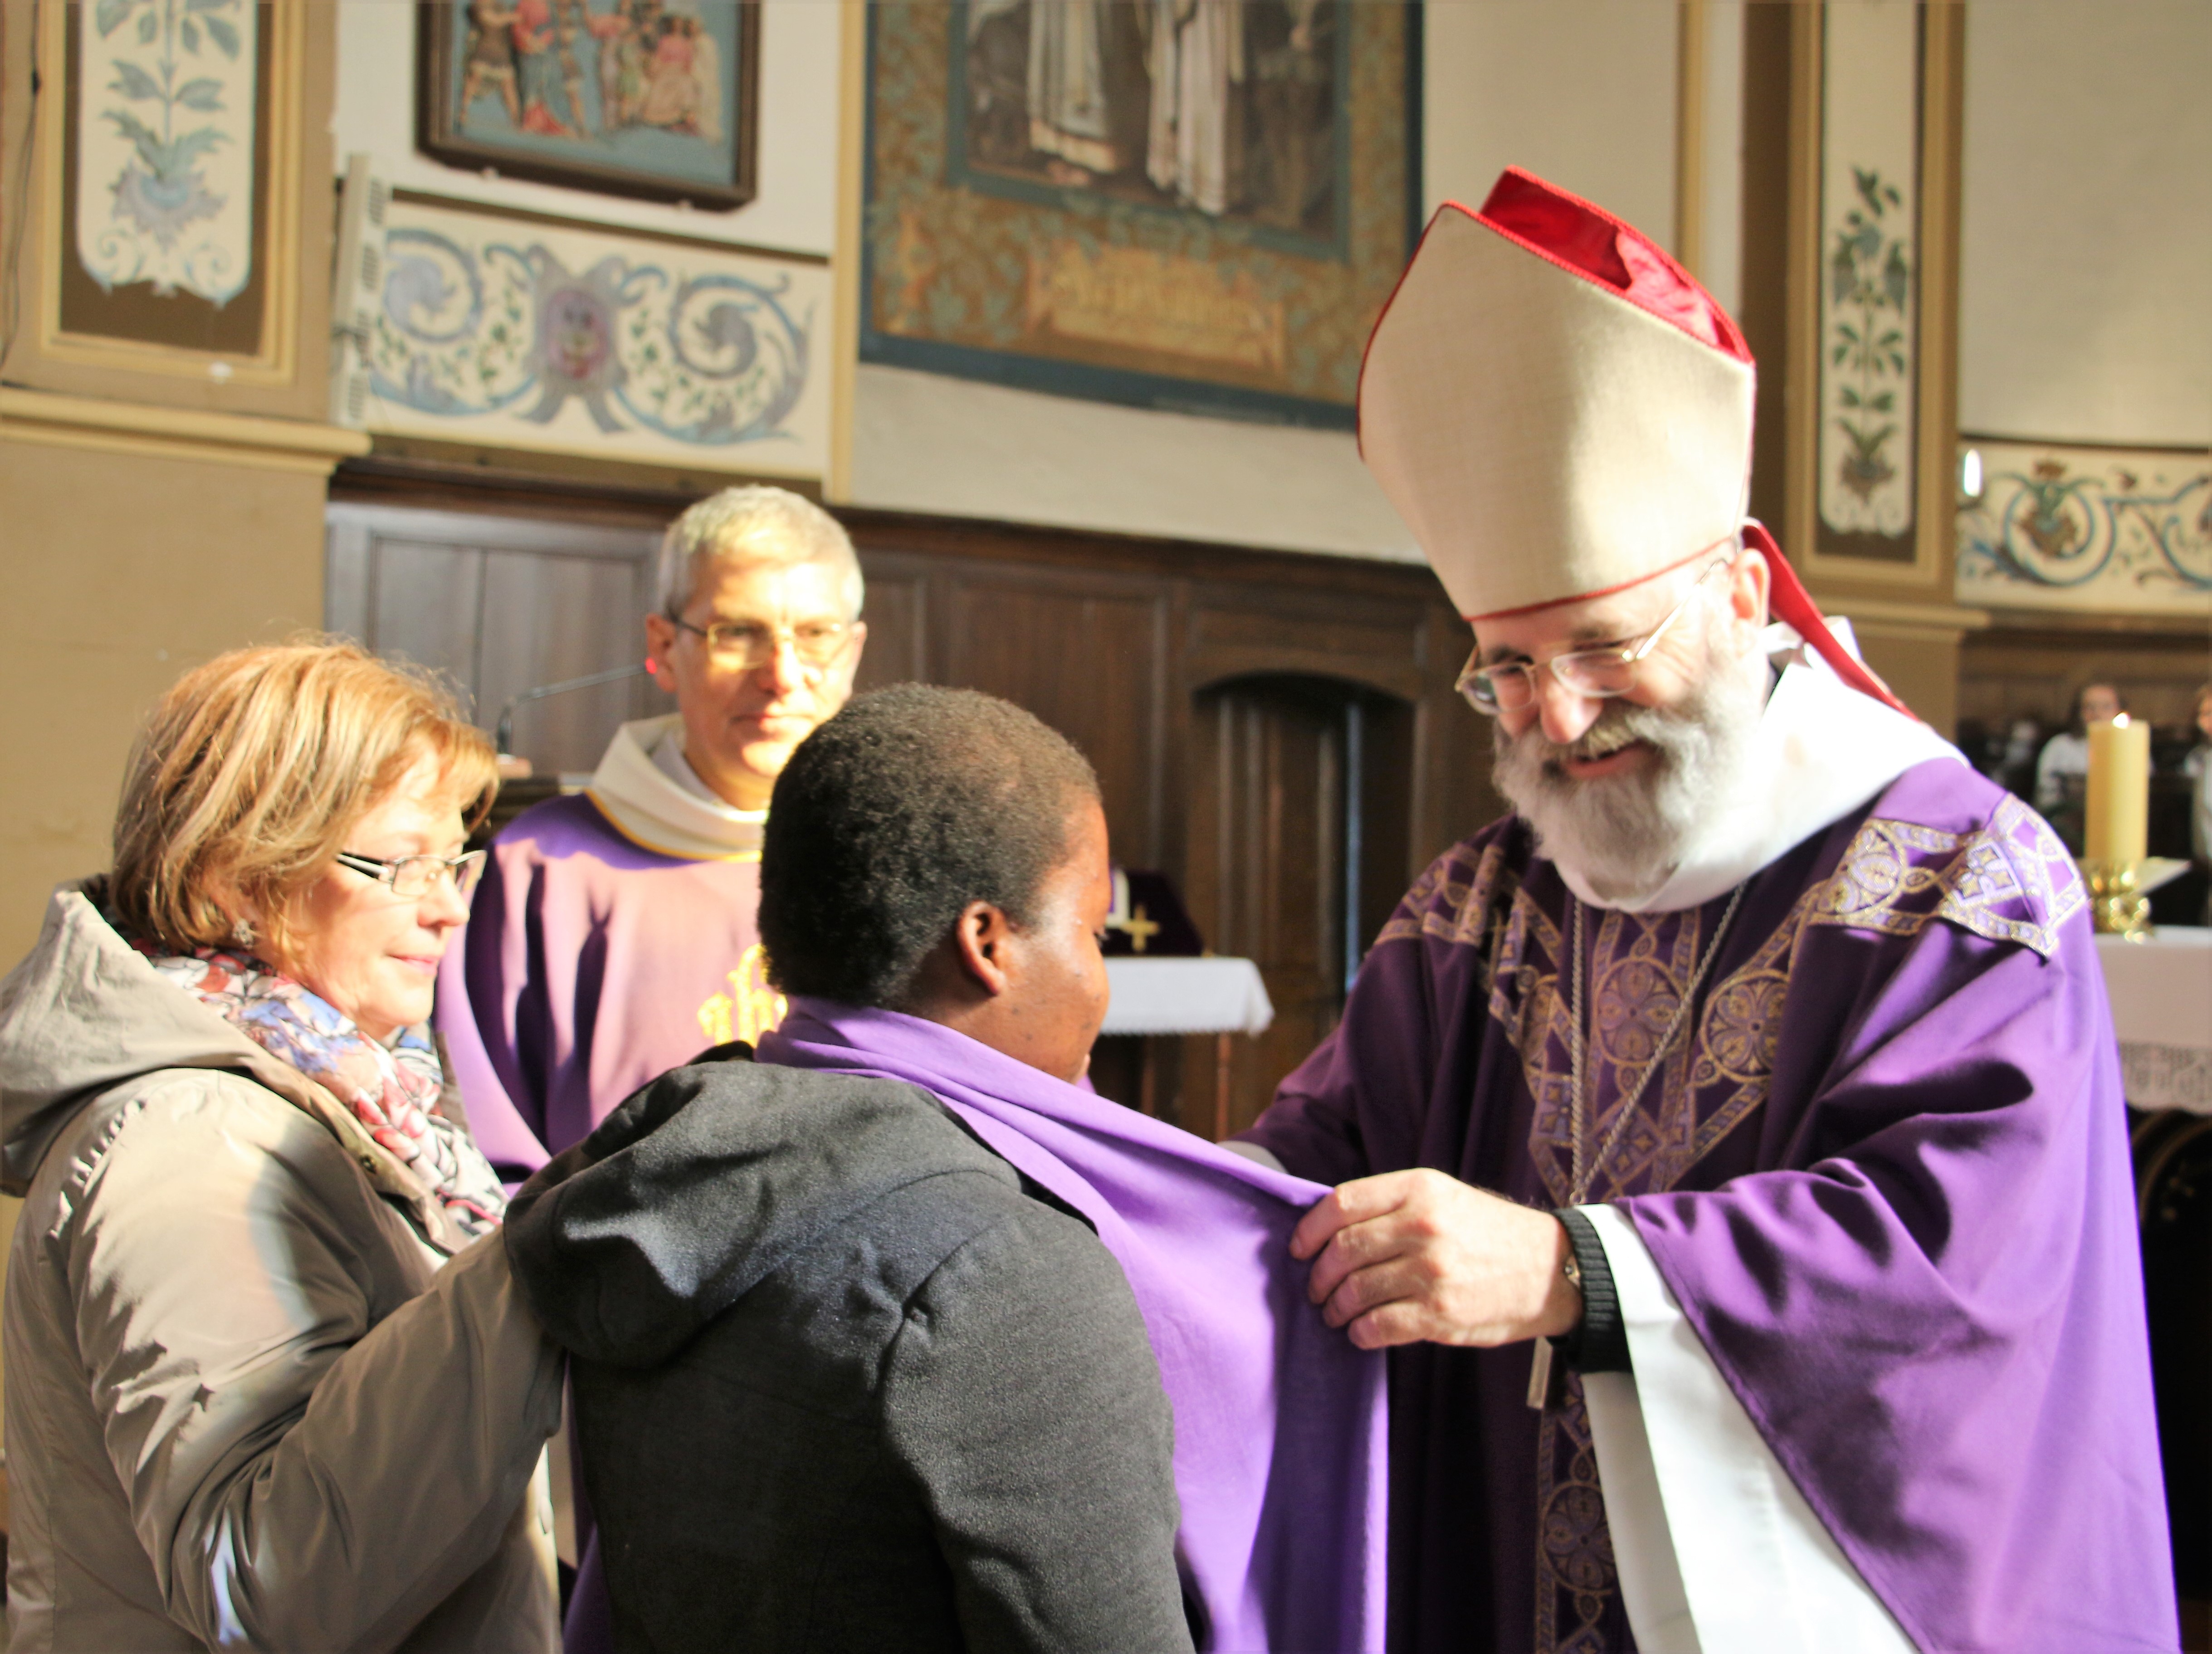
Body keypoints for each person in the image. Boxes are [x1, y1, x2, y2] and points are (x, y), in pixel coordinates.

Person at [1236, 168, 2173, 1653]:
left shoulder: (1954, 880)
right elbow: (1314, 1161)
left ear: (1742, 595)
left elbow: (1953, 1260)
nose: (1557, 714)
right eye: (1506, 665)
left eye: (1601, 645)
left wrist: (1571, 1270)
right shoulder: (1479, 904)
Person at [506, 686, 1389, 1653]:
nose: (1098, 979)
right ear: (987, 943)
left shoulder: (666, 1166)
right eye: (1091, 933)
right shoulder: (1004, 1267)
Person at [0, 642, 563, 1653]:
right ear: (238, 879)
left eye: (454, 860)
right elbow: (266, 1583)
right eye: (402, 863)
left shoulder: (353, 1096)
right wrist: (535, 1270)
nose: (449, 904)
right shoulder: (194, 1140)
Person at [437, 484, 866, 1181]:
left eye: (816, 635)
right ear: (664, 647)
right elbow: (488, 1151)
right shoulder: (540, 868)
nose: (782, 675)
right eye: (739, 632)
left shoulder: (886, 863)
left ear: (851, 653)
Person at [2035, 678, 2124, 814]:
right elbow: (2046, 796)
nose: (2098, 715)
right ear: (2078, 712)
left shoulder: (2130, 748)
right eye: (2090, 708)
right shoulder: (2060, 747)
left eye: (2106, 707)